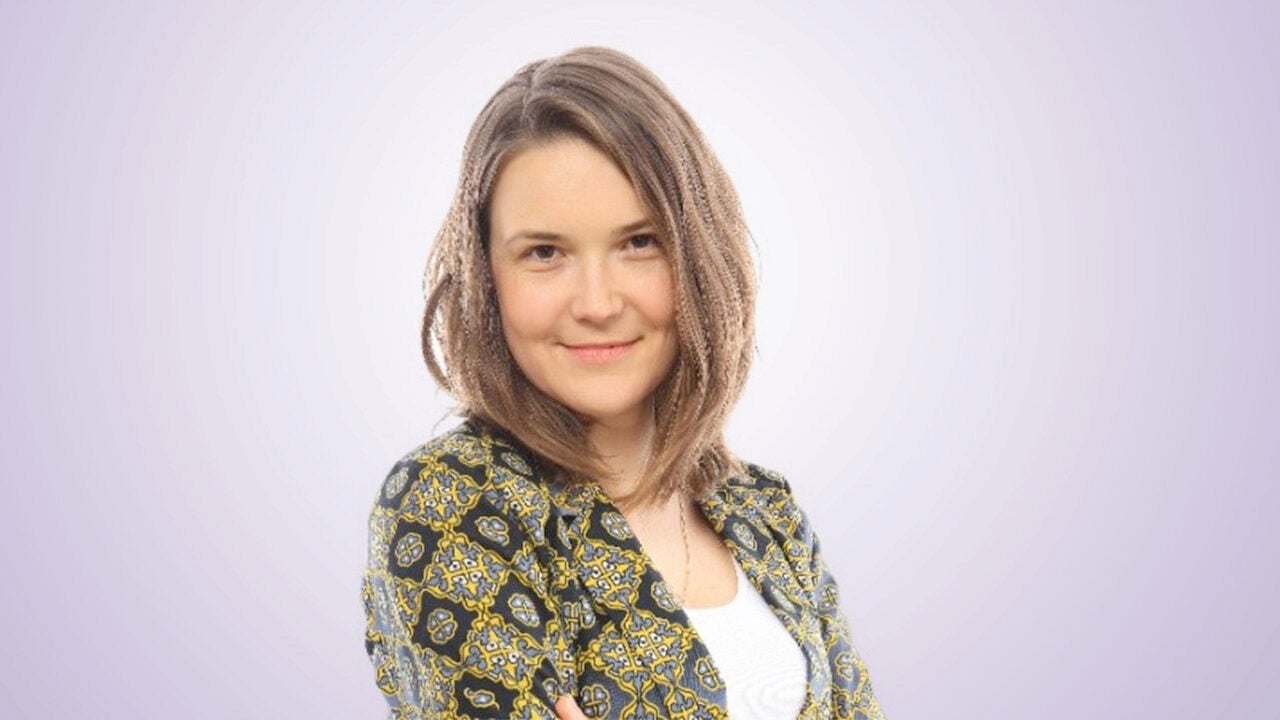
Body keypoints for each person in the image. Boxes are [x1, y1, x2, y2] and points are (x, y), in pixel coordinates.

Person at [362, 45, 885, 720]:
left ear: (699, 256)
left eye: (639, 242)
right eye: (544, 253)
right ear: (487, 277)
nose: (598, 303)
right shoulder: (453, 499)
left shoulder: (767, 515)